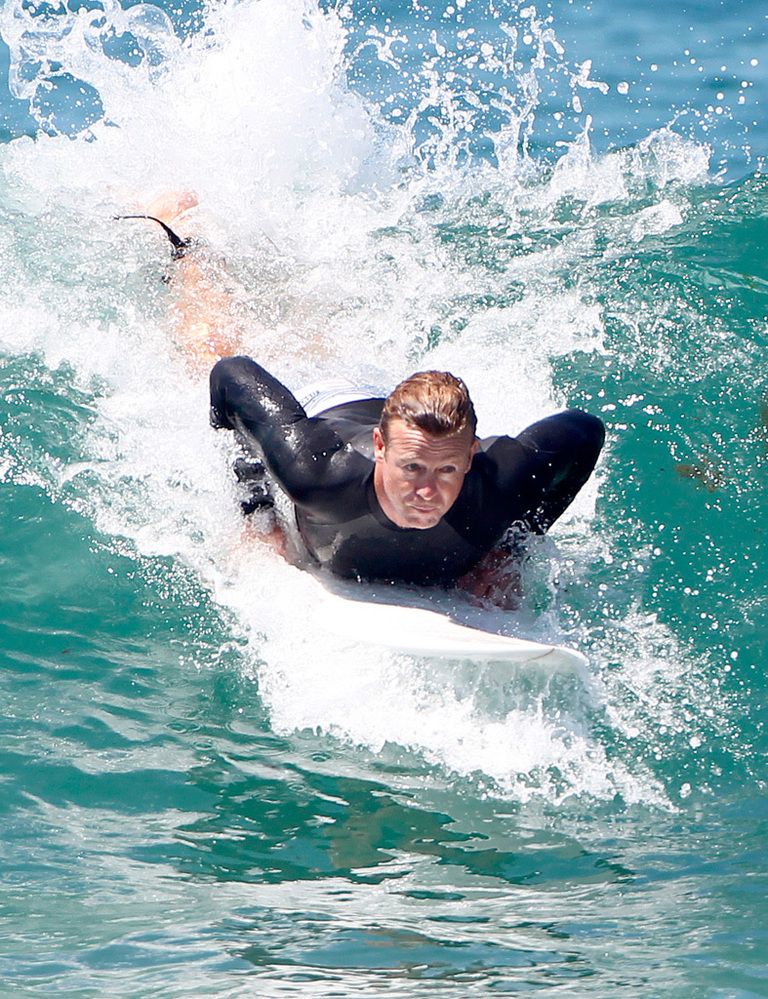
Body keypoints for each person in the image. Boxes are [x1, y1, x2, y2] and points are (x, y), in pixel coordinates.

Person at [134, 194, 604, 604]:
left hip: (380, 401)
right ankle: (185, 244)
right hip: (323, 406)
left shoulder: (497, 484)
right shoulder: (317, 475)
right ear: (381, 450)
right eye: (411, 469)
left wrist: (510, 551)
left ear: (471, 457)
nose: (426, 492)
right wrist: (258, 519)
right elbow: (230, 375)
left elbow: (584, 432)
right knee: (209, 347)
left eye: (446, 471)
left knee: (305, 338)